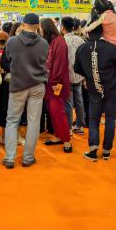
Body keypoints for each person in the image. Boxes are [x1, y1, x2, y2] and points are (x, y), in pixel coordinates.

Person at [74, 24, 116, 162]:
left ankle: (93, 150)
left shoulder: (82, 48)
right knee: (110, 118)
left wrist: (89, 75)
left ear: (88, 33)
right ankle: (106, 151)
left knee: (94, 118)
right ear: (102, 32)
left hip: (93, 87)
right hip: (111, 87)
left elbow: (76, 68)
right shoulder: (111, 47)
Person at [2, 13, 49, 169]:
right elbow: (44, 60)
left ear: (23, 25)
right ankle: (28, 157)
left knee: (12, 120)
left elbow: (8, 59)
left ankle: (10, 157)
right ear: (37, 26)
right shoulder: (44, 43)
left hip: (18, 85)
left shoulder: (12, 41)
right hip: (37, 85)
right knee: (34, 121)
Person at [40, 18, 72, 153]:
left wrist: (53, 81)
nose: (39, 31)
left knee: (57, 111)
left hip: (55, 83)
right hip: (49, 82)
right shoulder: (52, 41)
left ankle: (67, 140)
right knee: (52, 111)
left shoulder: (59, 42)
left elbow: (59, 65)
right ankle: (59, 136)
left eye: (41, 29)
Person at [86, 0, 116, 97]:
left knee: (114, 68)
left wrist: (85, 29)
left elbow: (93, 26)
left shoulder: (104, 16)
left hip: (110, 46)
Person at [61, 16, 85, 135]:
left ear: (62, 27)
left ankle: (69, 128)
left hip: (66, 75)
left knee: (68, 102)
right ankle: (80, 125)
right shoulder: (80, 40)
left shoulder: (62, 41)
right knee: (79, 100)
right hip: (78, 74)